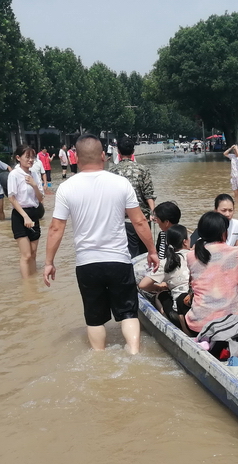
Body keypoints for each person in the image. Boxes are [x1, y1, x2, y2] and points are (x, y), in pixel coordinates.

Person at [43, 134, 159, 354]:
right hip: (119, 261)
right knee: (128, 314)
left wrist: (49, 262)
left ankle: (99, 356)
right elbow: (139, 221)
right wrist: (152, 251)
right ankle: (133, 351)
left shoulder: (67, 187)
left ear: (75, 157)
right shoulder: (120, 183)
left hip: (87, 264)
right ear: (104, 156)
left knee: (94, 318)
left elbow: (56, 228)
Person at [185, 211, 238, 334]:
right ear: (223, 232)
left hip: (199, 323)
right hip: (233, 321)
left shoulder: (190, 255)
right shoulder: (235, 252)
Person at [108, 137, 156, 257]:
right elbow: (148, 194)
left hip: (122, 222)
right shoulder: (142, 170)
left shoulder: (112, 171)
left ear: (118, 152)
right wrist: (153, 212)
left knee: (129, 257)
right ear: (133, 151)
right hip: (143, 219)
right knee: (146, 256)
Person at [138, 224, 190, 329]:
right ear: (185, 241)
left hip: (181, 312)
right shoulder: (195, 256)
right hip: (196, 305)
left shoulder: (166, 262)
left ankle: (167, 322)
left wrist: (158, 288)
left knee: (160, 295)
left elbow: (143, 285)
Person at [7, 145, 45, 278]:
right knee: (26, 255)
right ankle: (27, 286)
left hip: (34, 213)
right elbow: (11, 198)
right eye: (27, 157)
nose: (30, 160)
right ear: (18, 158)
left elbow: (40, 198)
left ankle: (34, 282)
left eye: (32, 157)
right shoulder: (14, 175)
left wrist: (34, 185)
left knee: (34, 253)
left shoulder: (34, 174)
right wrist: (24, 217)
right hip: (20, 215)